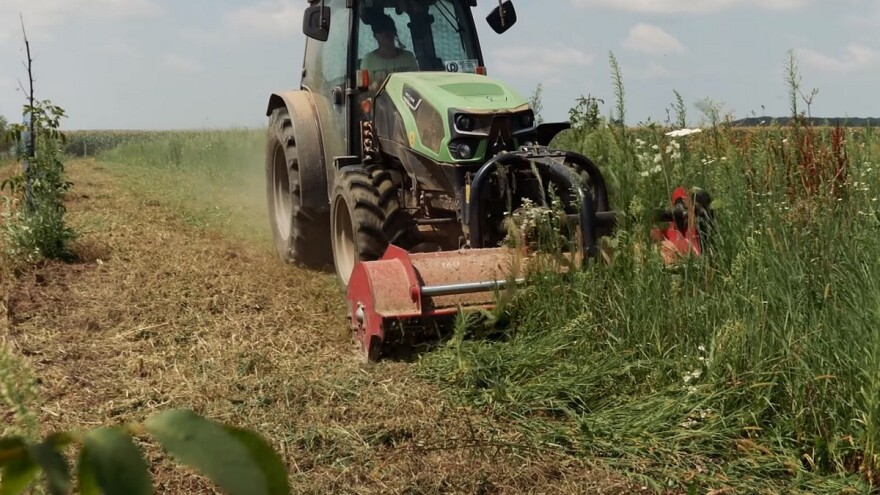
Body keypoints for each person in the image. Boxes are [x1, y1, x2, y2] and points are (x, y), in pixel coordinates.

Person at [360, 14, 419, 90]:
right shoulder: (368, 60)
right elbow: (363, 92)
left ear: (394, 31)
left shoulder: (408, 57)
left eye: (388, 28)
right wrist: (375, 87)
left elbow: (416, 84)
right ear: (375, 36)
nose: (385, 33)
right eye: (380, 29)